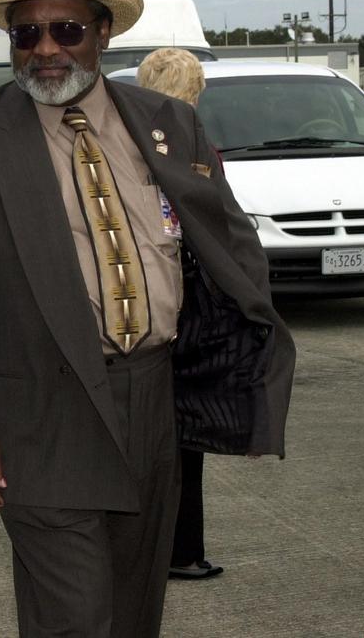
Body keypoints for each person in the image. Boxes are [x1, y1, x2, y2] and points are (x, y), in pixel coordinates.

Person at [0, 0, 294, 638]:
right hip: (40, 416)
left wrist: (238, 354)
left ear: (103, 32)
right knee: (76, 619)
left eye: (66, 30)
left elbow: (227, 244)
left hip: (154, 407)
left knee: (135, 613)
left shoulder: (169, 124)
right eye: (26, 33)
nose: (45, 50)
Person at [136, 47, 222, 581]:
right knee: (183, 440)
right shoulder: (195, 147)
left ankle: (161, 547)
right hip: (185, 301)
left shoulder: (121, 138)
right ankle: (180, 549)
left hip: (140, 301)